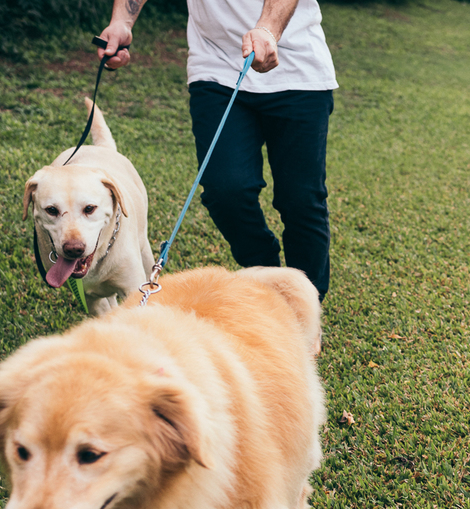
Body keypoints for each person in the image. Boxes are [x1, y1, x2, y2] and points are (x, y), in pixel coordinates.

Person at [97, 0, 336, 300]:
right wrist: (122, 22)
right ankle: (270, 282)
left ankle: (307, 306)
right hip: (215, 71)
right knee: (226, 192)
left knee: (301, 200)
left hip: (299, 73)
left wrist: (267, 29)